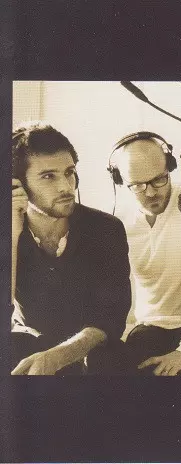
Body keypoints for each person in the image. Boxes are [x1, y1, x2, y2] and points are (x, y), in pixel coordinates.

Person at [11, 122, 131, 375]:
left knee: (108, 361)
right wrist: (11, 234)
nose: (66, 187)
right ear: (17, 184)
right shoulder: (10, 231)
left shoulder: (105, 229)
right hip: (30, 344)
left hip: (90, 350)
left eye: (69, 172)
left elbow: (110, 318)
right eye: (48, 176)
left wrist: (58, 357)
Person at [108, 132, 181, 376]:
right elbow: (118, 289)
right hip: (149, 327)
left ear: (170, 167)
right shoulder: (117, 220)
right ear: (120, 179)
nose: (150, 193)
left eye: (159, 179)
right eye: (138, 185)